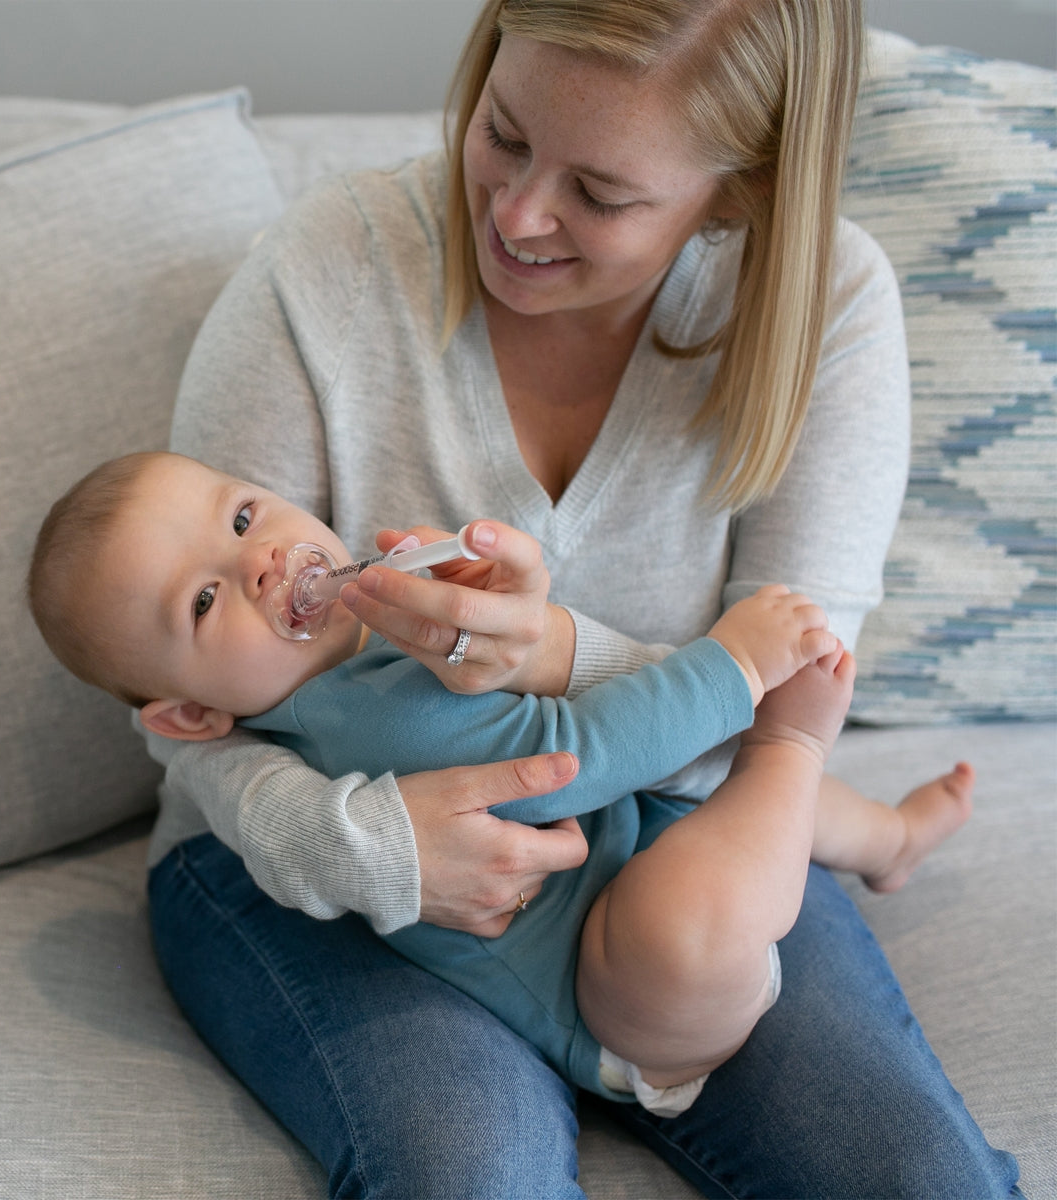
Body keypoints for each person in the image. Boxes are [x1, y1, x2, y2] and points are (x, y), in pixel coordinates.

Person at [135, 0, 1022, 1194]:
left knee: (919, 1180)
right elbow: (173, 698)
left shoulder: (828, 313)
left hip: (665, 843)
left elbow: (789, 704)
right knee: (471, 1173)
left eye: (601, 195)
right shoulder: (325, 273)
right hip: (298, 869)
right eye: (503, 133)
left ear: (740, 190)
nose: (515, 215)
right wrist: (366, 844)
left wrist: (556, 656)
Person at [29, 449, 975, 1120]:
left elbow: (563, 685)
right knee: (699, 888)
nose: (260, 561)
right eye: (203, 601)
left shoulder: (370, 649)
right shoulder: (364, 721)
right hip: (622, 995)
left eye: (243, 518)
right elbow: (581, 752)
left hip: (640, 846)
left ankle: (886, 840)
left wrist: (502, 612)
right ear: (189, 718)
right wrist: (731, 667)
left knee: (705, 806)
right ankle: (796, 757)